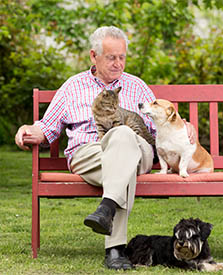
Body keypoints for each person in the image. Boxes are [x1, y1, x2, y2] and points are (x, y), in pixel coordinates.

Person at [15, 26, 196, 270]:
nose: (118, 63)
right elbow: (47, 128)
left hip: (138, 150)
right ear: (94, 56)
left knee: (122, 134)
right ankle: (114, 249)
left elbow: (160, 128)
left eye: (122, 57)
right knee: (123, 166)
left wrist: (184, 126)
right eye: (111, 57)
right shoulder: (72, 86)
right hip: (89, 154)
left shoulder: (137, 86)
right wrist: (28, 129)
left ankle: (106, 210)